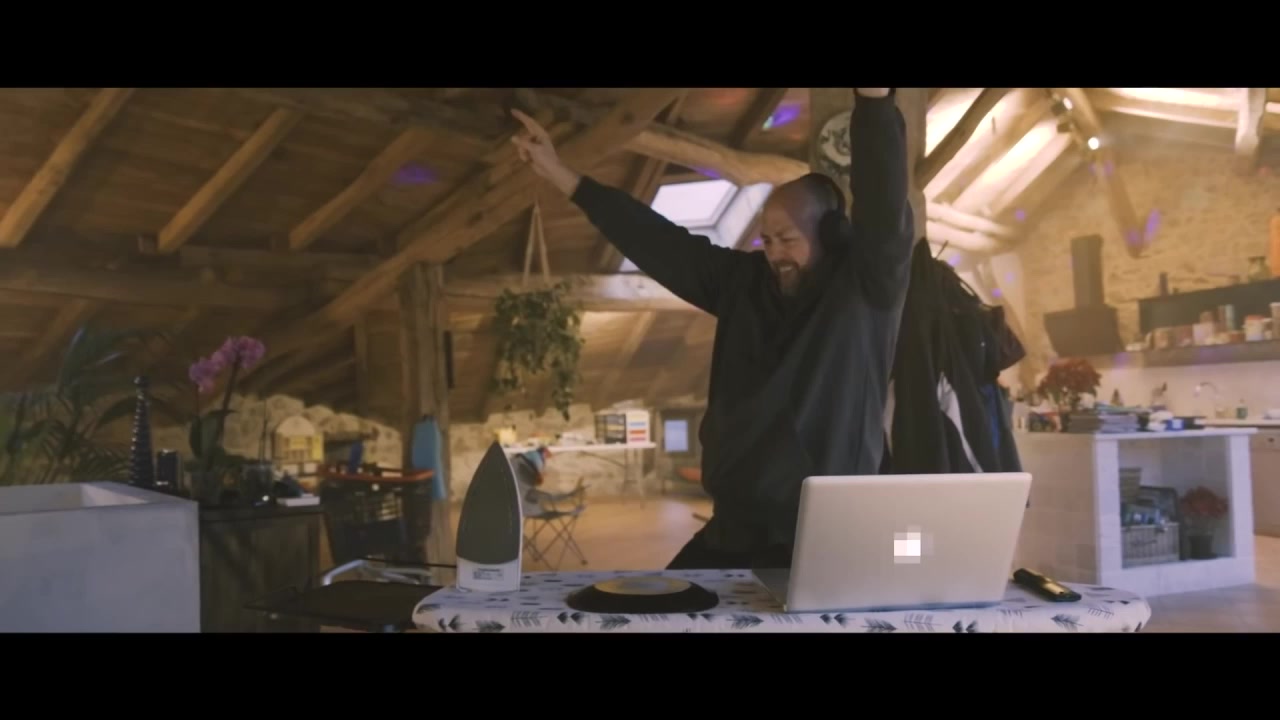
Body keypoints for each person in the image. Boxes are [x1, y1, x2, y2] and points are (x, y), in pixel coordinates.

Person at [510, 88, 915, 570]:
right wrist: (561, 174)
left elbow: (884, 202)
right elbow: (659, 242)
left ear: (828, 234)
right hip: (733, 530)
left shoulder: (865, 287)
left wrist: (873, 102)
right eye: (766, 240)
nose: (774, 254)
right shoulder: (743, 282)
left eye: (787, 239)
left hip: (822, 537)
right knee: (653, 603)